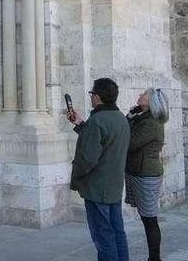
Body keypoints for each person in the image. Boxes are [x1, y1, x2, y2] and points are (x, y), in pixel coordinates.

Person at [67, 78, 131, 261]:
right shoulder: (120, 118)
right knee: (118, 232)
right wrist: (80, 124)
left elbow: (88, 157)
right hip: (113, 186)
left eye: (92, 94)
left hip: (97, 188)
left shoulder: (97, 121)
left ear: (96, 97)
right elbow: (105, 141)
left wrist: (76, 175)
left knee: (103, 237)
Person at [125, 88, 169, 261]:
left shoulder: (151, 123)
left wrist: (129, 119)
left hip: (146, 175)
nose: (139, 96)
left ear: (151, 102)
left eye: (143, 95)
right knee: (147, 218)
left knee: (149, 219)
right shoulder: (143, 118)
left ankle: (155, 259)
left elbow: (130, 143)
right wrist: (130, 116)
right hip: (140, 172)